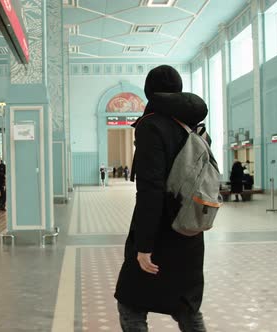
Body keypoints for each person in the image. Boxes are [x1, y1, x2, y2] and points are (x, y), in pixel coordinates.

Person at [115, 65, 208, 332]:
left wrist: (144, 246)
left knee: (131, 305)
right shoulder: (194, 127)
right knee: (186, 307)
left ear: (149, 92)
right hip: (190, 231)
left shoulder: (151, 126)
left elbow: (150, 190)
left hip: (160, 235)